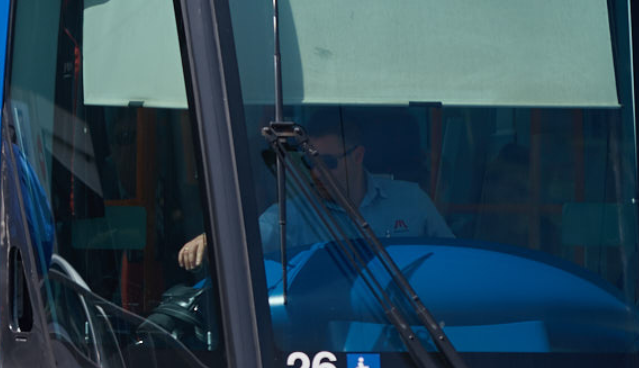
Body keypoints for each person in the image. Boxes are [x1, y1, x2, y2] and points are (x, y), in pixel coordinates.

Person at [178, 107, 450, 271]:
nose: (317, 173)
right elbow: (251, 234)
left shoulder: (411, 201)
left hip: (408, 344)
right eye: (310, 162)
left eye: (328, 162)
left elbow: (454, 261)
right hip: (321, 348)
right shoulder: (294, 215)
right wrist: (211, 239)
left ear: (357, 156)